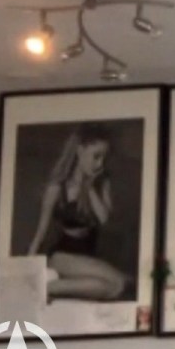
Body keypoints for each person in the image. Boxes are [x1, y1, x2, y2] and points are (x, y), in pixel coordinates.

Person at [25, 123, 132, 302]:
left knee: (117, 286)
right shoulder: (58, 188)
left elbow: (104, 219)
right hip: (62, 256)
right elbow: (40, 233)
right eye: (96, 156)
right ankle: (39, 287)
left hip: (87, 255)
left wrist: (89, 188)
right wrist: (26, 271)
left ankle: (49, 288)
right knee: (120, 283)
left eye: (104, 158)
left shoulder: (101, 183)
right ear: (80, 151)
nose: (100, 164)